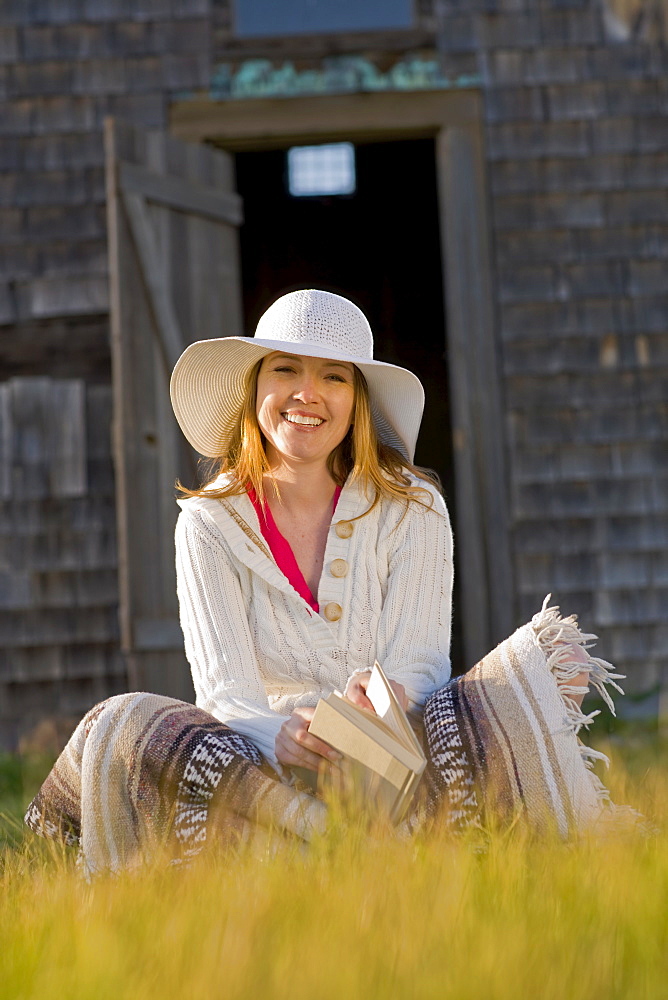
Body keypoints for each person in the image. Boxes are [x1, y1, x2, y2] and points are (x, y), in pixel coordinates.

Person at [25, 289, 626, 874]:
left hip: (402, 750)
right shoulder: (209, 522)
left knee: (560, 660)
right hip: (265, 763)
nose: (306, 393)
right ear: (254, 387)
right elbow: (225, 696)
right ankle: (324, 835)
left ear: (357, 400)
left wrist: (382, 703)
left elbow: (421, 661)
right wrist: (281, 738)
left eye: (334, 376)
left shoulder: (413, 506)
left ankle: (392, 832)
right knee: (125, 722)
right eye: (285, 369)